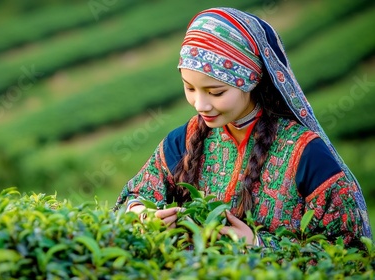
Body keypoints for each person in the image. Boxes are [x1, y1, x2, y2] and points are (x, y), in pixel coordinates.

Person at [113, 7, 372, 249]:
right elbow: (135, 195)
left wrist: (258, 245)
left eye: (216, 92)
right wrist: (143, 216)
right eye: (189, 88)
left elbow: (350, 252)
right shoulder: (184, 140)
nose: (200, 104)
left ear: (252, 80)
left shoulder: (306, 154)